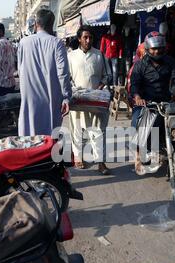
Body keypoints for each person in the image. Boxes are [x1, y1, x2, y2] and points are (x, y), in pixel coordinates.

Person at [130, 32, 175, 175]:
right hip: (146, 103)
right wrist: (138, 97)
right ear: (148, 49)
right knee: (136, 123)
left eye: (160, 48)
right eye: (154, 49)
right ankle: (138, 157)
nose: (157, 51)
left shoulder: (170, 61)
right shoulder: (140, 65)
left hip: (165, 102)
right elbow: (134, 85)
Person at [17, 9, 71, 136]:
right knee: (50, 135)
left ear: (36, 24)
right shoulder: (57, 43)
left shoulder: (23, 42)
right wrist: (66, 97)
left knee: (29, 132)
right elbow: (63, 73)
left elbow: (20, 69)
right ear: (52, 25)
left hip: (29, 96)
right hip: (51, 96)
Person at [68, 25, 112, 175]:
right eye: (85, 37)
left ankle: (101, 162)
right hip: (77, 99)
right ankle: (78, 157)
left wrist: (100, 87)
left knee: (99, 130)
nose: (88, 40)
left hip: (96, 100)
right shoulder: (71, 56)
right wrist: (74, 91)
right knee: (77, 129)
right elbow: (67, 78)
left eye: (90, 37)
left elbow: (107, 76)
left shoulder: (99, 55)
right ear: (79, 39)